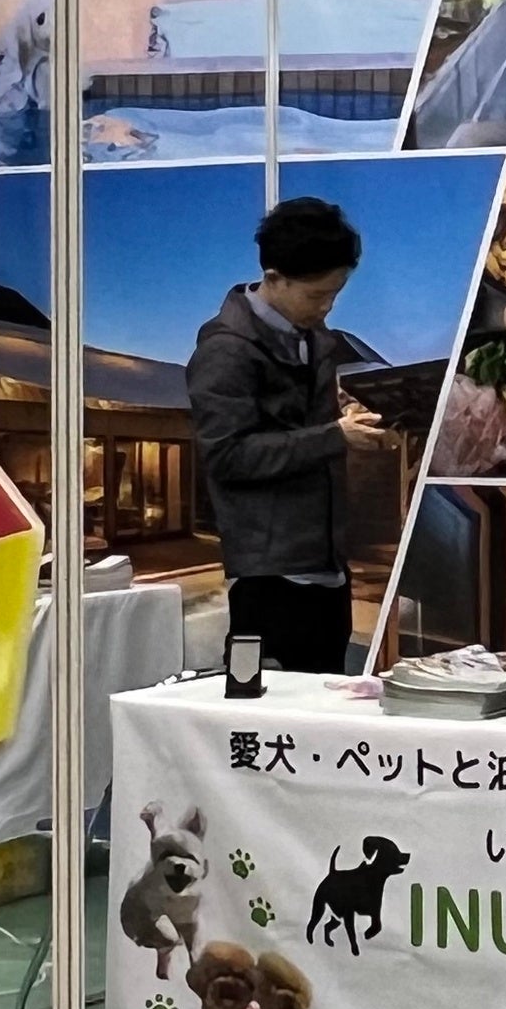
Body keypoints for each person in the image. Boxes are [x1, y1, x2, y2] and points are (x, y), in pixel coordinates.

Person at [186, 193, 385, 674]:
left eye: (335, 294)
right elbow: (227, 456)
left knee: (325, 703)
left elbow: (302, 425)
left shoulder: (316, 339)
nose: (327, 307)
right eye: (316, 295)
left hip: (326, 566)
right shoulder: (226, 351)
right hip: (267, 575)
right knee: (260, 704)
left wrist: (347, 415)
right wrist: (334, 436)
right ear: (274, 278)